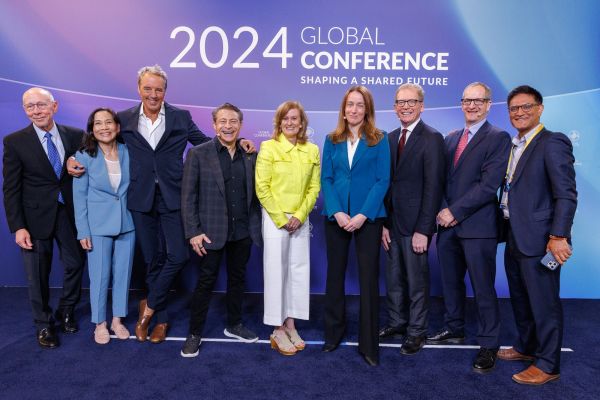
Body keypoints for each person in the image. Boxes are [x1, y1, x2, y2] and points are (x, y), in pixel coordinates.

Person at [68, 65, 255, 343]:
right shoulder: (124, 119)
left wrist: (239, 144)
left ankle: (149, 309)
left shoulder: (181, 117)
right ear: (139, 89)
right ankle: (162, 320)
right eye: (148, 88)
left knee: (178, 256)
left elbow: (207, 144)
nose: (153, 94)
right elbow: (101, 138)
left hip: (173, 196)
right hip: (140, 199)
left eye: (158, 89)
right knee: (152, 260)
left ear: (165, 91)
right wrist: (74, 157)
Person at [428, 82, 511, 373]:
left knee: (483, 287)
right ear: (461, 104)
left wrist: (454, 211)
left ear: (489, 105)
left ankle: (489, 344)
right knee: (450, 282)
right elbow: (439, 180)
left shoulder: (499, 138)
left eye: (479, 101)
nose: (472, 105)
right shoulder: (451, 138)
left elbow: (489, 186)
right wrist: (442, 211)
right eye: (467, 100)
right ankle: (454, 328)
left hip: (478, 228)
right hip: (447, 227)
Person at [497, 85, 577, 385]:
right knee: (520, 297)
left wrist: (559, 235)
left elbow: (566, 195)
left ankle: (548, 364)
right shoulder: (515, 144)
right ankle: (527, 346)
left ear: (539, 108)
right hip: (515, 235)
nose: (519, 113)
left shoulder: (552, 142)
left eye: (526, 107)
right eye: (514, 109)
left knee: (544, 303)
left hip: (543, 240)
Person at [2, 87, 85, 348]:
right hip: (34, 218)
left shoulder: (75, 135)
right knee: (37, 274)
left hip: (68, 213)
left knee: (75, 263)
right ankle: (43, 324)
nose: (36, 111)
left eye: (41, 105)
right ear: (25, 110)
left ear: (54, 106)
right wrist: (18, 227)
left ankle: (67, 310)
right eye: (30, 106)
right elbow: (11, 188)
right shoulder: (15, 141)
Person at [179, 103, 262, 357]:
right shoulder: (198, 154)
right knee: (205, 283)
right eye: (223, 121)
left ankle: (234, 324)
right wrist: (193, 231)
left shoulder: (250, 154)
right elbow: (188, 196)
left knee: (237, 280)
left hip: (243, 232)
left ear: (240, 125)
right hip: (210, 232)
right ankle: (194, 333)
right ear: (214, 125)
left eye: (233, 121)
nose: (228, 126)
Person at [321, 86, 390, 366]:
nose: (354, 110)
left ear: (367, 109)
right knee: (334, 278)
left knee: (368, 280)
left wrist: (363, 214)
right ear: (343, 108)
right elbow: (326, 178)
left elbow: (382, 180)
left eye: (359, 105)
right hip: (336, 218)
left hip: (368, 218)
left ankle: (369, 345)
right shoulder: (332, 139)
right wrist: (337, 211)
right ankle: (333, 335)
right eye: (350, 104)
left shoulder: (379, 139)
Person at [379, 83, 445, 355]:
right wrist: (383, 223)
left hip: (417, 225)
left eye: (411, 102)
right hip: (392, 224)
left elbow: (434, 187)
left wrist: (424, 230)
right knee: (394, 280)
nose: (405, 106)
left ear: (421, 105)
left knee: (417, 282)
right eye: (400, 102)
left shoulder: (432, 138)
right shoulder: (390, 137)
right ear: (394, 106)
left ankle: (417, 331)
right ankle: (397, 322)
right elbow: (386, 183)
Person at [255, 101, 321, 356]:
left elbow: (314, 188)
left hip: (300, 220)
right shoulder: (268, 148)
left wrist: (300, 215)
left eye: (295, 119)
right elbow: (263, 187)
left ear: (302, 122)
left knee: (297, 272)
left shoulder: (312, 150)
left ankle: (291, 324)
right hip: (275, 220)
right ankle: (277, 329)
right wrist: (282, 219)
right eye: (286, 119)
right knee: (276, 272)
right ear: (279, 123)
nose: (291, 123)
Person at [72, 108, 135, 344]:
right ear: (92, 129)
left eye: (109, 122)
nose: (104, 127)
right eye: (98, 123)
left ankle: (118, 320)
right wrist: (83, 231)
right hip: (97, 226)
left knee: (123, 274)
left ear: (118, 127)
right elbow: (79, 197)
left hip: (127, 223)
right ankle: (100, 323)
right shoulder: (82, 156)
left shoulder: (129, 151)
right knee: (99, 277)